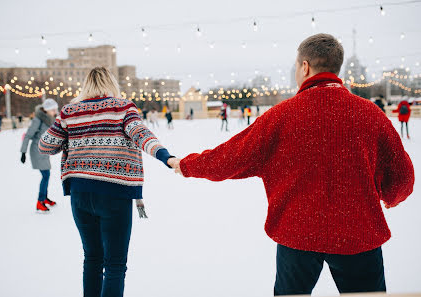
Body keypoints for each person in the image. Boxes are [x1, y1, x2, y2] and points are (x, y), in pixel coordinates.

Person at [169, 33, 414, 295]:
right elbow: (402, 176)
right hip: (359, 233)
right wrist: (391, 196)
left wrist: (186, 165)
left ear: (305, 66)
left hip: (297, 234)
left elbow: (229, 157)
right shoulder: (370, 114)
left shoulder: (281, 116)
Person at [39, 67, 176, 297]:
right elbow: (141, 134)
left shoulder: (69, 112)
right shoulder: (122, 108)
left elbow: (45, 145)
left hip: (80, 194)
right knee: (114, 265)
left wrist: (73, 138)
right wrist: (166, 156)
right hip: (114, 194)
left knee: (92, 258)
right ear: (111, 83)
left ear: (86, 85)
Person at [20, 99, 58, 213]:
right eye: (53, 109)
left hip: (44, 150)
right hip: (37, 150)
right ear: (46, 110)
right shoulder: (38, 120)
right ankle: (40, 202)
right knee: (46, 175)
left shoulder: (50, 119)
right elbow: (28, 136)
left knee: (47, 174)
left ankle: (44, 198)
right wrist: (23, 152)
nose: (55, 111)